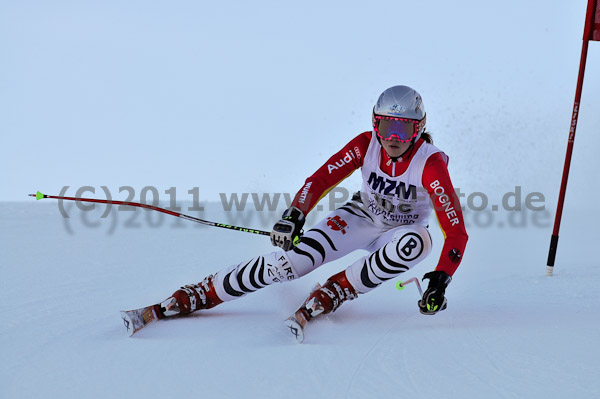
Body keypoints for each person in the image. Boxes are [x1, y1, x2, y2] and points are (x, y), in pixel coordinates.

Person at [152, 85, 468, 340]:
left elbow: (455, 231)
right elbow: (321, 179)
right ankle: (205, 292)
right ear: (375, 123)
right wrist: (294, 215)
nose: (392, 138)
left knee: (418, 242)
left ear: (419, 128)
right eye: (386, 126)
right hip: (359, 217)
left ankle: (340, 289)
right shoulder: (365, 144)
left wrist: (441, 279)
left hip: (400, 232)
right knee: (289, 265)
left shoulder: (431, 164)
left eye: (403, 129)